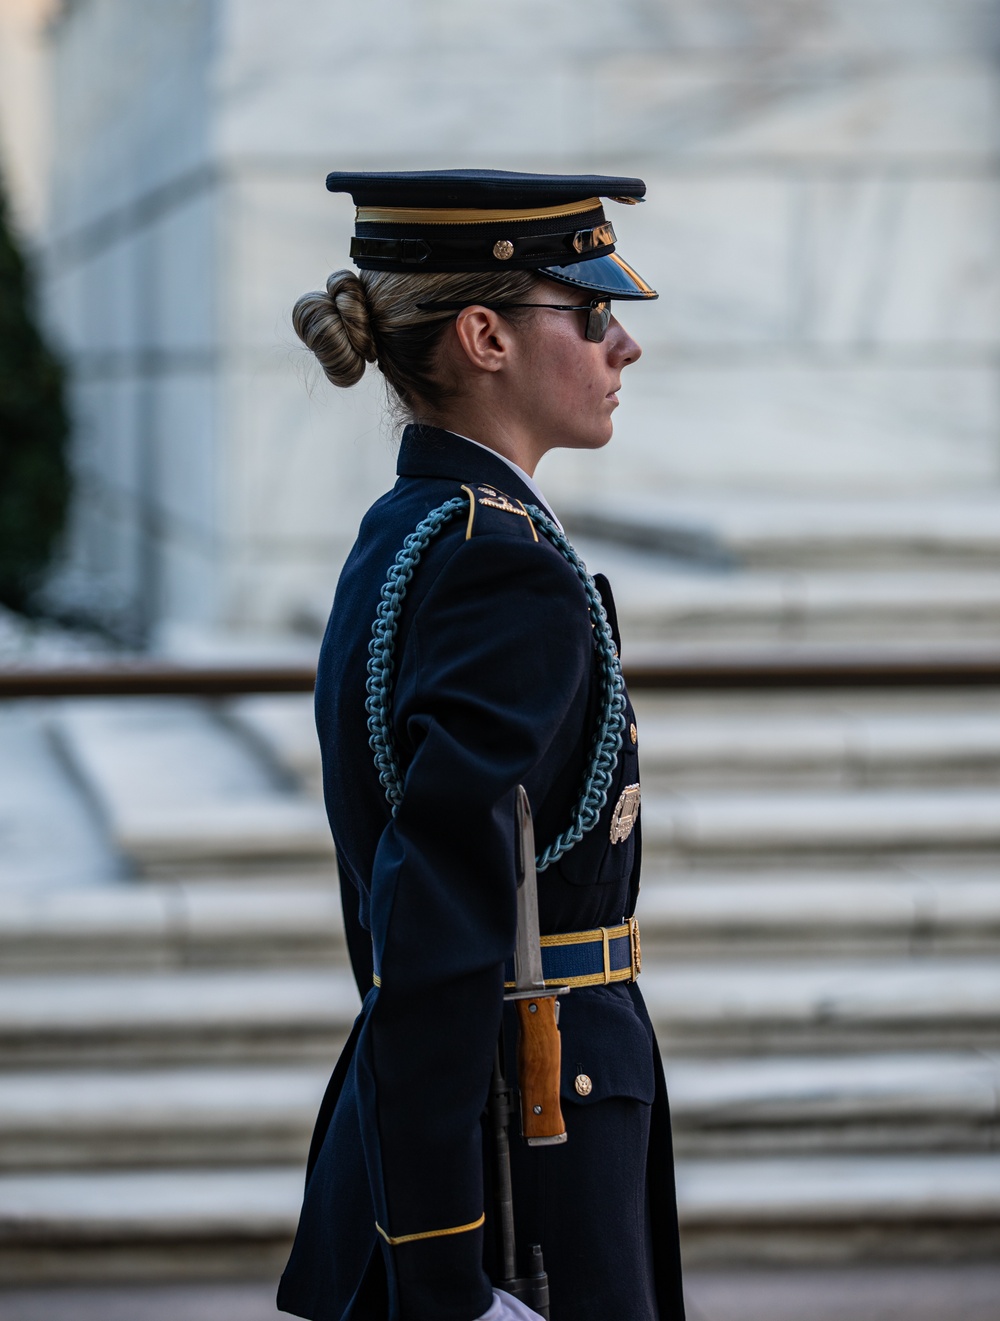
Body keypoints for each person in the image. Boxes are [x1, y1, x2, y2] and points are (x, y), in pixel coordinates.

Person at [277, 170, 685, 1321]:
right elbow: (438, 926)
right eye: (594, 315)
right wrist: (451, 1274)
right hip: (522, 1157)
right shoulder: (501, 567)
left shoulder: (421, 525)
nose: (623, 349)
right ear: (483, 335)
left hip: (483, 1128)